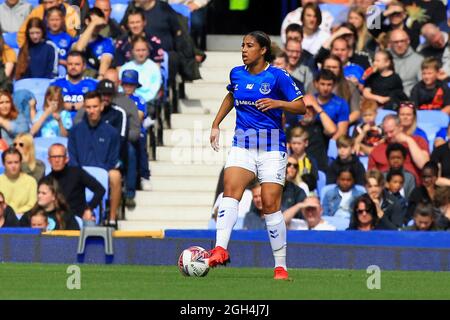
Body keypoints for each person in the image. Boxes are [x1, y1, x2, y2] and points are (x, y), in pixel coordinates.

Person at [208, 31, 305, 280]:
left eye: (249, 45)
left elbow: (301, 106)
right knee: (230, 190)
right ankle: (220, 249)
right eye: (242, 45)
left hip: (272, 147)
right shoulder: (236, 73)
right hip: (244, 144)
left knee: (271, 205)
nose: (244, 49)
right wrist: (216, 124)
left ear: (263, 50)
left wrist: (278, 103)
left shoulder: (278, 75)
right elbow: (232, 95)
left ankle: (280, 267)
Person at [68, 90, 121, 228]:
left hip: (102, 174)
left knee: (115, 175)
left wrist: (100, 173)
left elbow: (113, 160)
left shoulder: (112, 133)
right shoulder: (75, 131)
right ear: (84, 108)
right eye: (88, 107)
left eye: (95, 106)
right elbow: (72, 158)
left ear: (102, 106)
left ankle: (112, 219)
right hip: (79, 175)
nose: (92, 110)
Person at [46, 143, 106, 221]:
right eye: (53, 157)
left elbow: (100, 190)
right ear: (49, 160)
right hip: (54, 220)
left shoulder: (78, 173)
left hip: (78, 218)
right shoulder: (46, 180)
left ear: (66, 159)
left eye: (60, 156)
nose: (57, 160)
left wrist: (89, 209)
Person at [368, 114, 430, 185]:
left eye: (391, 131)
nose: (389, 135)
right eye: (386, 133)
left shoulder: (418, 141)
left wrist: (408, 140)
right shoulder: (377, 150)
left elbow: (424, 165)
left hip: (413, 188)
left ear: (400, 127)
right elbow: (371, 178)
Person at [120, 69, 153, 191]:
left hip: (135, 130)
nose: (128, 87)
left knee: (140, 140)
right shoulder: (117, 98)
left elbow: (138, 118)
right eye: (126, 84)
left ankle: (144, 176)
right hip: (119, 130)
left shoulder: (140, 99)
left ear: (135, 86)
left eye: (131, 84)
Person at [295, 95, 337, 172]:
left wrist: (316, 106)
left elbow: (332, 130)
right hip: (296, 170)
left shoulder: (320, 126)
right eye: (304, 107)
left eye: (310, 108)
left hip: (319, 170)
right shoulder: (293, 127)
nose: (307, 111)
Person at [51, 51, 98, 119]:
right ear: (66, 65)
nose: (73, 67)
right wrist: (65, 105)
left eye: (77, 64)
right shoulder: (56, 83)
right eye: (70, 64)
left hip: (85, 121)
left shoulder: (93, 84)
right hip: (60, 121)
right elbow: (49, 104)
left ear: (84, 66)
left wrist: (84, 105)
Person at [72, 7, 114, 79]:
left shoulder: (107, 42)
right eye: (94, 22)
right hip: (77, 78)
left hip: (95, 78)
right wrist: (93, 24)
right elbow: (78, 50)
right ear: (87, 21)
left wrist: (99, 79)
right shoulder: (76, 40)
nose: (96, 26)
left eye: (98, 23)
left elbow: (106, 61)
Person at [118, 35, 162, 105]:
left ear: (148, 51)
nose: (141, 53)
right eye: (137, 50)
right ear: (132, 51)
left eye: (143, 50)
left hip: (147, 103)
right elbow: (120, 88)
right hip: (127, 102)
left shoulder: (154, 67)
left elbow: (154, 90)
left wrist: (139, 100)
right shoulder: (125, 67)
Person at [309, 69, 350, 140]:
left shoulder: (341, 104)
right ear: (316, 84)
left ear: (334, 85)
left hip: (331, 141)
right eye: (322, 84)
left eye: (329, 85)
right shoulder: (309, 101)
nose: (325, 88)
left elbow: (342, 132)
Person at [0, 148, 37, 215]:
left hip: (24, 219)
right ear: (3, 164)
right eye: (9, 163)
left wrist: (17, 213)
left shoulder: (31, 181)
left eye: (16, 162)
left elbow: (32, 204)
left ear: (21, 162)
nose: (13, 166)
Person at [388, 29, 423, 98]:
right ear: (390, 44)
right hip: (386, 99)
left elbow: (423, 86)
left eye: (402, 41)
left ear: (408, 41)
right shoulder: (384, 58)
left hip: (409, 100)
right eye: (396, 42)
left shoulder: (419, 60)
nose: (399, 45)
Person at [45, 6, 76, 74]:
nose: (54, 23)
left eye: (57, 19)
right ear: (47, 21)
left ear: (62, 20)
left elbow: (73, 59)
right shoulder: (43, 37)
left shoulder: (69, 39)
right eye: (52, 20)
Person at [287, 127, 318, 192]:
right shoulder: (287, 160)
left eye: (299, 143)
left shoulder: (310, 161)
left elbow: (314, 183)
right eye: (293, 143)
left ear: (306, 143)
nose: (296, 146)